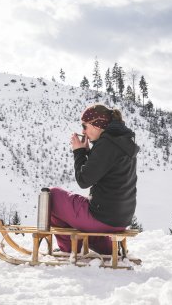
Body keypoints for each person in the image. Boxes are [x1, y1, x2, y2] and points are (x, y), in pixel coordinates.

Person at [50, 104, 139, 255]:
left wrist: (78, 152)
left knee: (52, 195)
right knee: (79, 207)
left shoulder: (107, 144)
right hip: (120, 219)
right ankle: (106, 249)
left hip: (102, 218)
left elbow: (84, 180)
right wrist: (87, 152)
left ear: (98, 125)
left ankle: (69, 249)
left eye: (85, 126)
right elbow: (104, 170)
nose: (83, 131)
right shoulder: (120, 142)